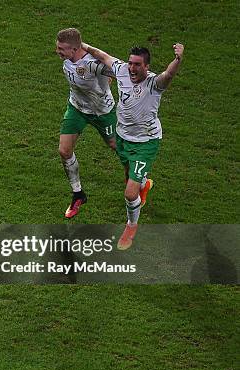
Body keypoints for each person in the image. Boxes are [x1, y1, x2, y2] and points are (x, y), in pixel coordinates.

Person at [82, 42, 185, 249]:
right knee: (130, 176)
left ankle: (131, 226)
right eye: (130, 63)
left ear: (146, 67)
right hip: (123, 137)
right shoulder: (121, 70)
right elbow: (103, 54)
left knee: (130, 192)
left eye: (137, 65)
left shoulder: (154, 84)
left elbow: (168, 75)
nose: (132, 68)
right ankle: (144, 184)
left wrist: (177, 60)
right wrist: (81, 44)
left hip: (146, 142)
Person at [55, 28, 117, 218]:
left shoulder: (92, 64)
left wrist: (103, 88)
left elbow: (117, 71)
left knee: (119, 148)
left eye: (61, 49)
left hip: (102, 112)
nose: (58, 51)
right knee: (64, 151)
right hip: (76, 109)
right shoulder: (68, 60)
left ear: (75, 49)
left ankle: (140, 182)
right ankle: (78, 194)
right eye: (57, 47)